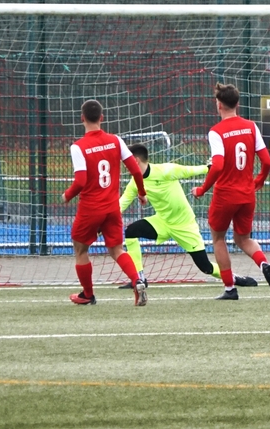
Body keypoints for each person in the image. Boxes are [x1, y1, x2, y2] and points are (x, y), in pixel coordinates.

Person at [118, 144, 257, 288]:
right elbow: (122, 203)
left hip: (185, 225)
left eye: (126, 162)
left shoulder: (165, 170)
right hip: (162, 222)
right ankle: (139, 279)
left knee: (206, 267)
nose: (125, 167)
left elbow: (187, 171)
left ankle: (235, 278)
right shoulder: (135, 183)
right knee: (131, 232)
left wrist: (208, 168)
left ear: (135, 160)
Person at [192, 83, 270, 300]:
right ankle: (264, 264)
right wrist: (259, 179)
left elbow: (218, 166)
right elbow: (267, 161)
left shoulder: (216, 131)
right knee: (243, 239)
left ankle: (230, 289)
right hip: (247, 193)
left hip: (225, 194)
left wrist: (202, 189)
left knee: (218, 239)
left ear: (219, 105)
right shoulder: (251, 126)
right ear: (237, 104)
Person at [63, 99, 148, 306]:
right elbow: (136, 170)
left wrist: (67, 195)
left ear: (82, 118)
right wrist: (141, 193)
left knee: (81, 250)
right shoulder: (116, 141)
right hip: (112, 207)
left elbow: (81, 181)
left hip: (90, 208)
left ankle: (87, 295)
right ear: (102, 118)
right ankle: (137, 281)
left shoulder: (78, 147)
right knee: (117, 249)